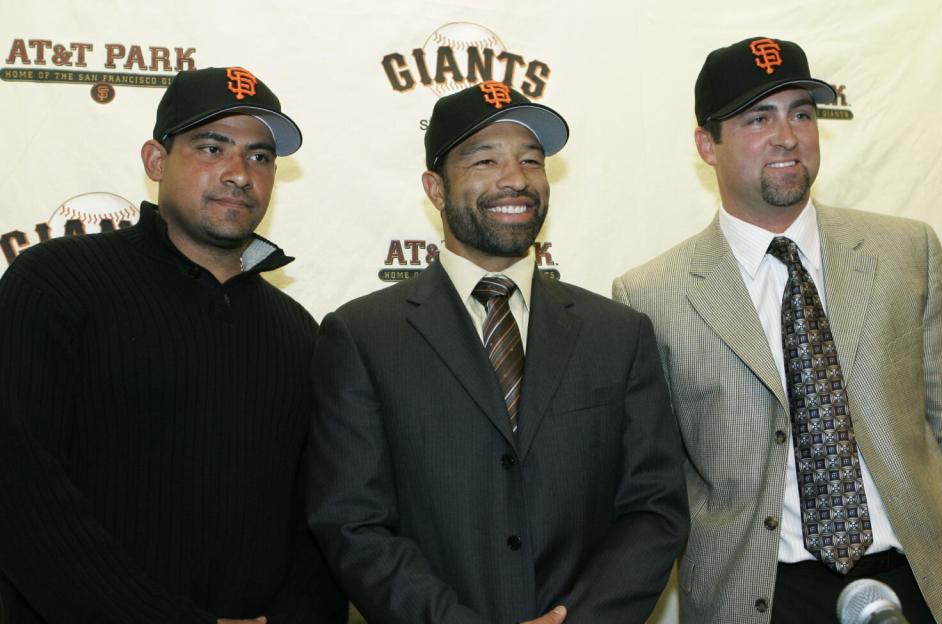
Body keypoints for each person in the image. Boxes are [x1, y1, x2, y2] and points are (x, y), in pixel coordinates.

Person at [307, 80, 688, 624]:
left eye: (532, 161)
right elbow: (353, 521)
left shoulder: (618, 334)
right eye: (485, 160)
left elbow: (654, 509)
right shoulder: (363, 336)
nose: (516, 179)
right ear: (435, 188)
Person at [614, 37, 942, 623]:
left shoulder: (906, 251)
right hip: (761, 598)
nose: (787, 135)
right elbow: (662, 479)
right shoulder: (652, 295)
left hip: (916, 585)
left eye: (802, 113)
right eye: (758, 118)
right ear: (707, 144)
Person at [0, 67, 346, 624]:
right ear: (156, 161)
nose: (238, 174)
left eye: (260, 157)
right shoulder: (55, 283)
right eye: (213, 147)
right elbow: (19, 494)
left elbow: (315, 519)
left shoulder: (298, 331)